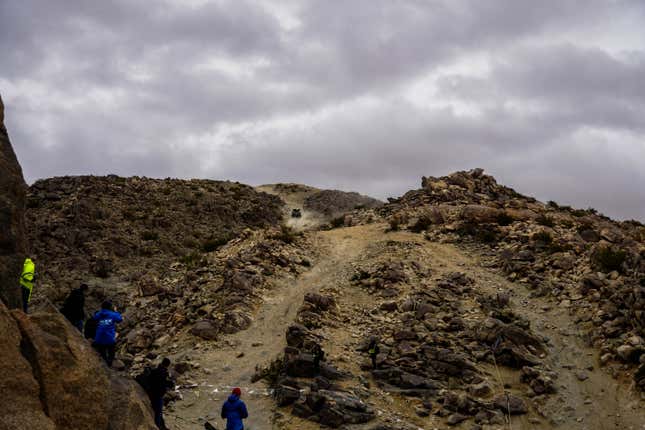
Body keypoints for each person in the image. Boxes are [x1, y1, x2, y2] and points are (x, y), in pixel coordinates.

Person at [92, 301, 122, 367]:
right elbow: (120, 319)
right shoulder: (113, 314)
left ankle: (105, 363)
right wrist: (115, 311)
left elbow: (94, 318)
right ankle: (109, 363)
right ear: (110, 307)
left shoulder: (98, 314)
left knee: (102, 353)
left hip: (99, 338)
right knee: (111, 351)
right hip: (109, 338)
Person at [148, 358, 175, 430]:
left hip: (151, 394)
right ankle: (158, 427)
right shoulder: (163, 373)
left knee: (158, 412)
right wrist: (170, 382)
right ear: (168, 365)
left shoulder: (155, 370)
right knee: (158, 413)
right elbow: (165, 384)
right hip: (157, 395)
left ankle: (162, 426)